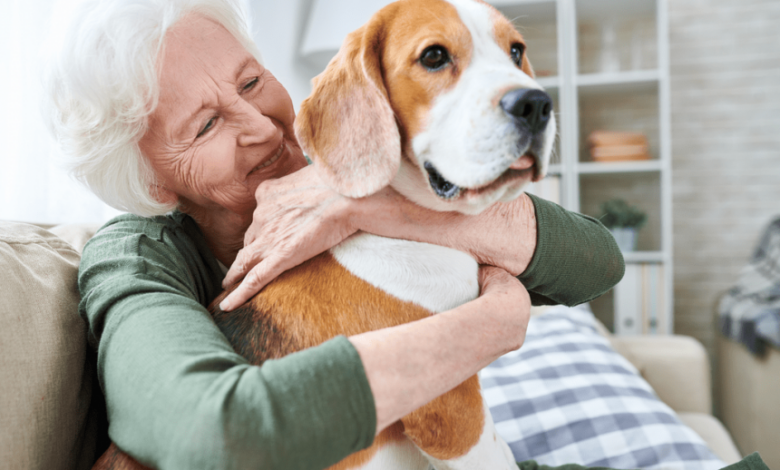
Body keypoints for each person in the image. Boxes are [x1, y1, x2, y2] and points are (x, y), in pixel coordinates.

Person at [44, 0, 632, 468]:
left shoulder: (352, 162)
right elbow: (210, 432)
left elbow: (598, 263)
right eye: (205, 125)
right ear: (154, 185)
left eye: (250, 82)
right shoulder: (133, 257)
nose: (260, 126)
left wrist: (365, 208)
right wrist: (489, 326)